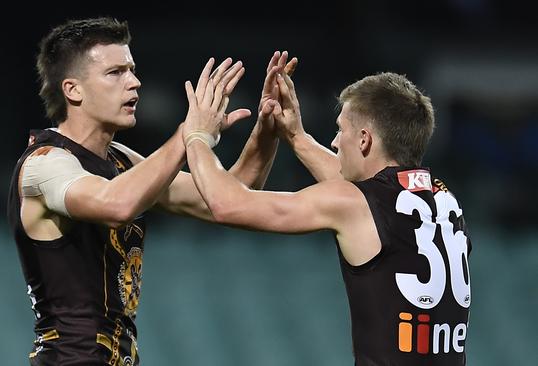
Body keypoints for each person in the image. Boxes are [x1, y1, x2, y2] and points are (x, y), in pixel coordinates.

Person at [6, 16, 296, 365]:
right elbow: (116, 204)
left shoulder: (122, 161)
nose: (135, 82)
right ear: (73, 90)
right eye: (115, 73)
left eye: (132, 69)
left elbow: (233, 196)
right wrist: (189, 134)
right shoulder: (45, 164)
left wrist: (266, 129)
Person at [183, 70, 472, 365]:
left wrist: (196, 135)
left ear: (364, 140)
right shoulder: (444, 200)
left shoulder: (355, 204)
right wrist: (296, 137)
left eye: (340, 130)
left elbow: (227, 204)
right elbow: (364, 194)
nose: (334, 142)